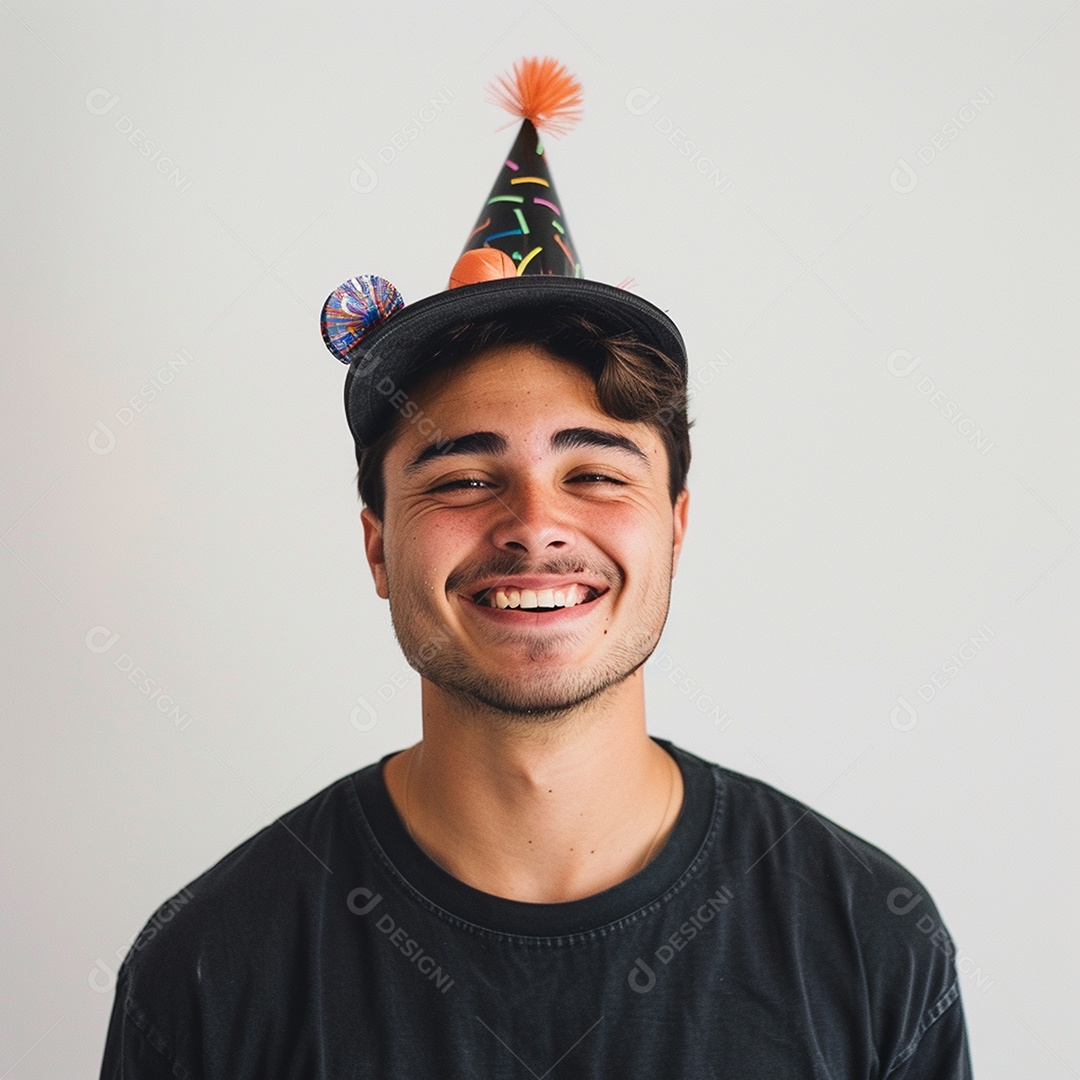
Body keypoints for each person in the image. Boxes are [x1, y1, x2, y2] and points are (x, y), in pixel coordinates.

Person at [99, 58, 972, 1078]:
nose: (533, 525)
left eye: (596, 473)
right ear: (378, 542)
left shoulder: (869, 941)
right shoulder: (212, 964)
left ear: (676, 527)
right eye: (464, 478)